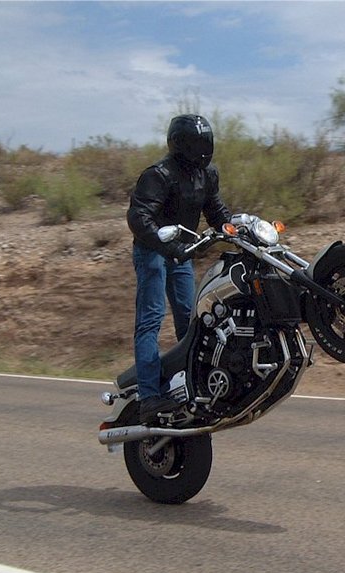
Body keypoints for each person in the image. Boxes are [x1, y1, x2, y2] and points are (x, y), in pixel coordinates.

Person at [127, 114, 231, 423]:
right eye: (198, 143)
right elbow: (138, 218)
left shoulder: (207, 174)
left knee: (191, 317)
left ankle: (191, 384)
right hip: (152, 252)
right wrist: (166, 245)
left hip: (181, 252)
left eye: (207, 142)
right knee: (151, 318)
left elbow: (215, 209)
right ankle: (149, 395)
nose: (204, 149)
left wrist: (233, 226)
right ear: (180, 145)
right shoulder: (159, 175)